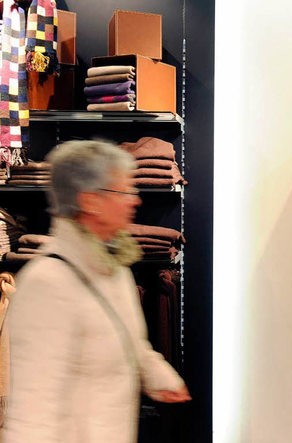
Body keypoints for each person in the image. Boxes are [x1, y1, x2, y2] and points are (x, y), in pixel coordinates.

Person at [2, 140, 190, 443]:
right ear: (91, 201)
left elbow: (129, 340)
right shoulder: (48, 284)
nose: (135, 201)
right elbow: (33, 406)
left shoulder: (113, 267)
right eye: (124, 191)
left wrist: (158, 375)